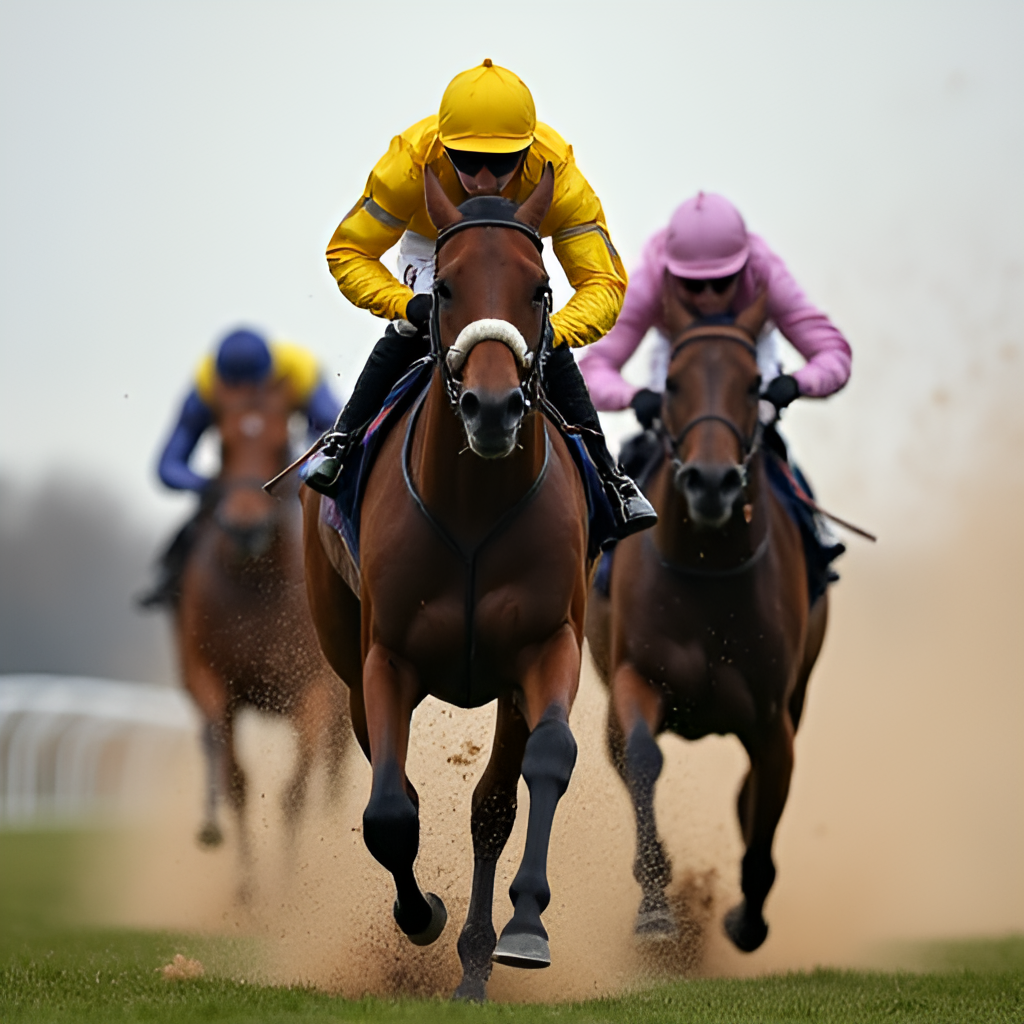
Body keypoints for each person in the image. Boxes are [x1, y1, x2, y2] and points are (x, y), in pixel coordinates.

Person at [308, 59, 656, 536]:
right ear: (444, 147)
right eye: (467, 160)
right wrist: (404, 304)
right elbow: (348, 251)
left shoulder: (559, 173)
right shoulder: (410, 163)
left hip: (513, 251)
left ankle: (610, 477)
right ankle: (343, 441)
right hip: (434, 245)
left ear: (529, 149)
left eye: (504, 161)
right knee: (419, 325)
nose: (485, 176)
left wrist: (554, 330)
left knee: (537, 333)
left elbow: (603, 282)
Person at [579, 191, 851, 599]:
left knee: (772, 448)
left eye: (721, 282)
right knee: (637, 457)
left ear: (743, 268)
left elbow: (834, 353)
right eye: (691, 284)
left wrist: (792, 385)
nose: (706, 296)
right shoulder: (653, 276)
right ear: (671, 273)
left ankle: (814, 540)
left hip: (748, 356)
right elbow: (593, 368)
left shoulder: (764, 272)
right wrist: (637, 398)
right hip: (680, 359)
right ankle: (604, 561)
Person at [138, 328, 341, 607]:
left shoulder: (301, 371)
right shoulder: (206, 385)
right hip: (229, 481)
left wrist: (308, 467)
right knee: (192, 528)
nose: (244, 395)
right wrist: (207, 486)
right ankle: (170, 580)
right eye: (236, 388)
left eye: (252, 386)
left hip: (287, 473)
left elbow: (337, 432)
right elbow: (168, 466)